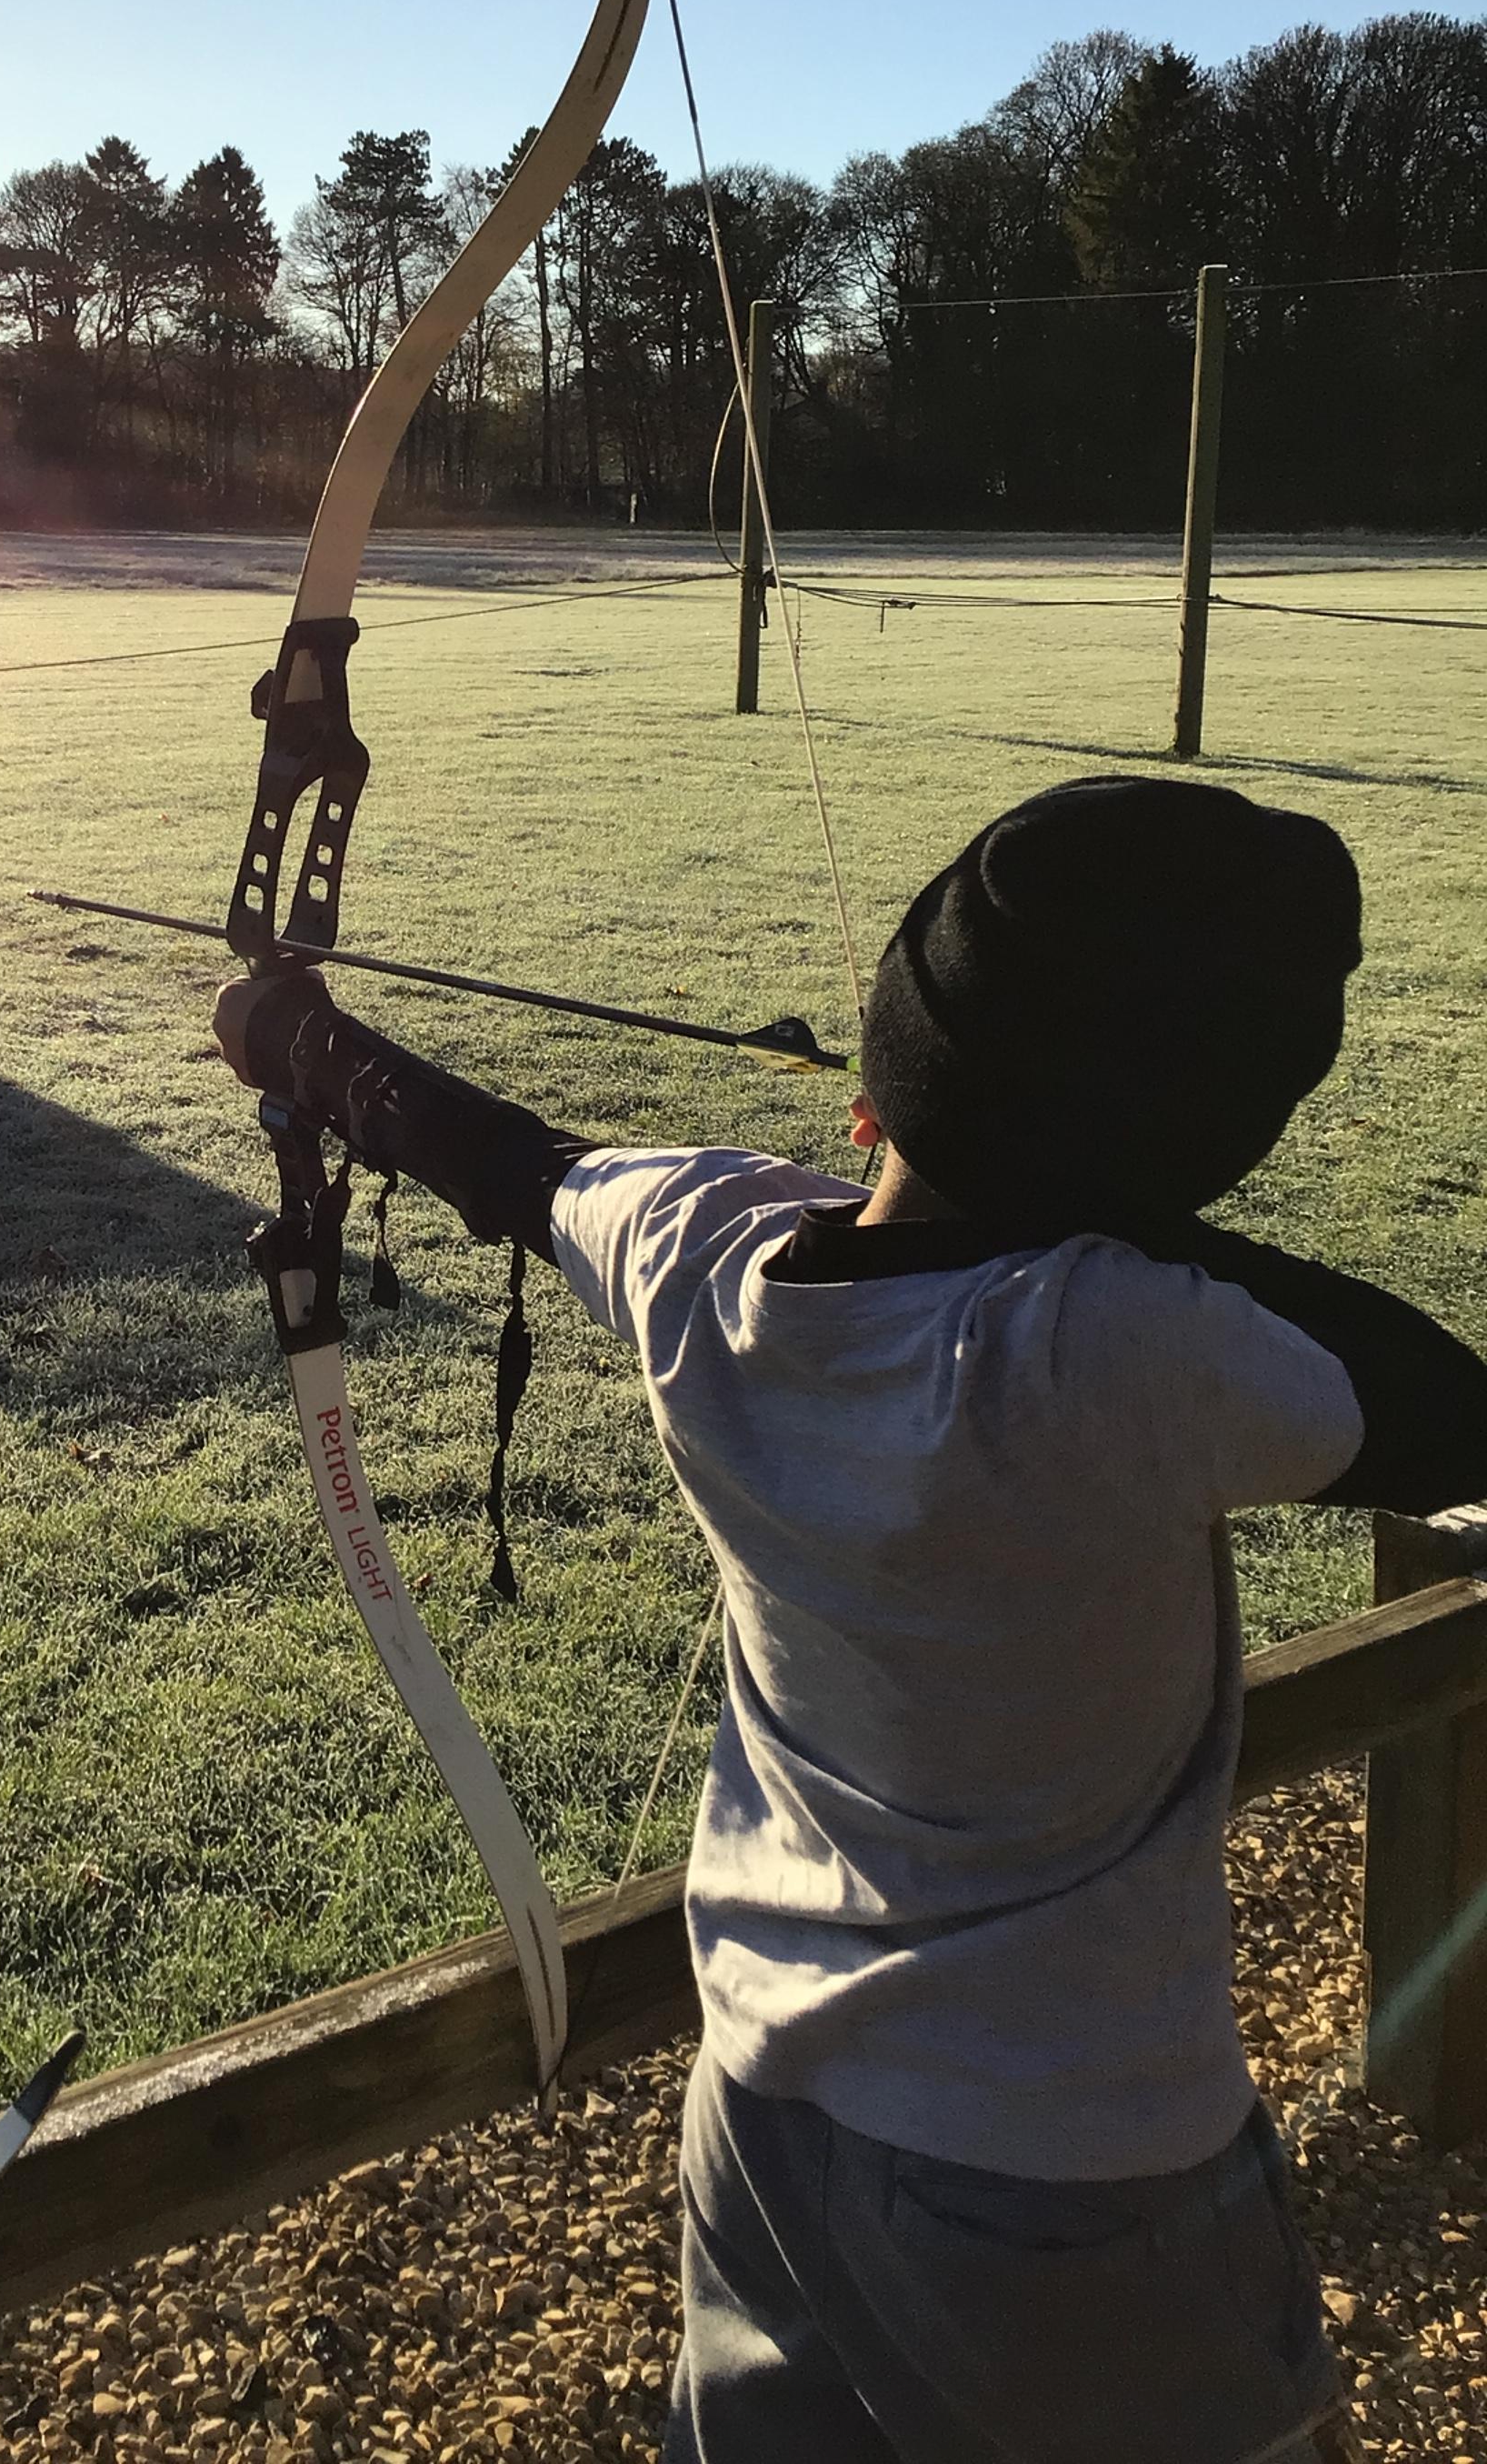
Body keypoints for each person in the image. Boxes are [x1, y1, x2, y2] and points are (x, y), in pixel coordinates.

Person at [213, 776, 1487, 2464]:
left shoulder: (699, 1246)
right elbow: (1443, 1404)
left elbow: (514, 1166)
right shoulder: (1127, 1347)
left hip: (762, 2101)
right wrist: (1091, 1184)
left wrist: (304, 1046)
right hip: (1069, 2177)